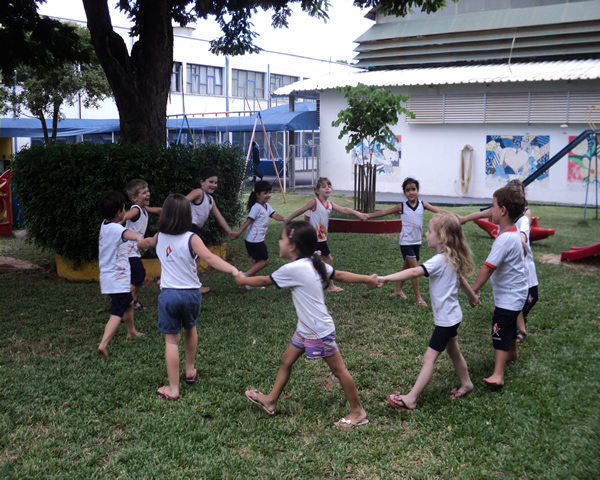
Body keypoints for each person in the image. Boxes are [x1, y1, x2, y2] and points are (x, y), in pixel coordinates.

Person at [236, 221, 378, 427]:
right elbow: (339, 275)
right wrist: (367, 279)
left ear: (292, 246)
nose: (279, 242)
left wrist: (243, 279)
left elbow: (264, 281)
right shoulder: (313, 262)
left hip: (317, 331)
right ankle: (271, 400)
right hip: (306, 328)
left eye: (282, 238)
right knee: (286, 360)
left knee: (339, 370)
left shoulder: (293, 269)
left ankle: (358, 412)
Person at [137, 194, 239, 401]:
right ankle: (190, 370)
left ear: (165, 215)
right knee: (190, 328)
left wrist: (138, 243)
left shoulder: (159, 237)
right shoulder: (192, 238)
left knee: (171, 341)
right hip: (192, 294)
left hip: (169, 295)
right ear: (188, 216)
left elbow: (146, 243)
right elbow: (209, 257)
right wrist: (233, 270)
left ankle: (173, 389)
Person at [378, 214, 480, 411]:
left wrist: (386, 278)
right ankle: (467, 383)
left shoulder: (439, 261)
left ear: (441, 237)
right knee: (454, 351)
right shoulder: (451, 258)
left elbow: (414, 271)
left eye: (430, 231)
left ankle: (411, 398)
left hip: (446, 320)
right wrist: (472, 297)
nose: (426, 234)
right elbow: (461, 281)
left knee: (429, 358)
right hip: (453, 317)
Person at [460, 180, 538, 343]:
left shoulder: (516, 227)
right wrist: (463, 219)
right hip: (508, 277)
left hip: (520, 270)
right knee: (508, 302)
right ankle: (514, 329)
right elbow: (484, 213)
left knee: (519, 303)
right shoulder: (506, 222)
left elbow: (488, 268)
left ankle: (519, 329)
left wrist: (472, 292)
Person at [366, 177, 457, 306]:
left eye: (413, 189)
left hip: (416, 242)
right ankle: (418, 298)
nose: (411, 192)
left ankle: (398, 289)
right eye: (408, 190)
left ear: (417, 190)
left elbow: (439, 211)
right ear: (404, 192)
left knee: (407, 266)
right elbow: (385, 212)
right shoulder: (402, 206)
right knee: (414, 269)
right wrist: (368, 216)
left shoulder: (423, 204)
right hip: (406, 242)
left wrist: (454, 216)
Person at [471, 185, 528, 387]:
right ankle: (513, 352)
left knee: (500, 330)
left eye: (493, 206)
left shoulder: (504, 240)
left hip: (510, 296)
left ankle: (498, 374)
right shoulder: (513, 233)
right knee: (509, 323)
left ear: (503, 210)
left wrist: (473, 290)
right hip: (516, 293)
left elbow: (488, 268)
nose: (490, 210)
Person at [285, 177, 367, 292]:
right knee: (321, 260)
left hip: (321, 238)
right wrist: (288, 219)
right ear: (317, 191)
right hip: (313, 238)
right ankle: (328, 285)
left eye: (329, 186)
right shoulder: (314, 202)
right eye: (324, 187)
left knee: (318, 260)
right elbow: (301, 210)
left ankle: (323, 284)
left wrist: (358, 214)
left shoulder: (330, 204)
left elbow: (344, 210)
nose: (327, 188)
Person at [97, 191, 145, 360]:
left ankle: (131, 332)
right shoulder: (117, 229)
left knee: (128, 303)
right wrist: (139, 237)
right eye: (124, 208)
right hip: (117, 279)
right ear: (119, 213)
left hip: (109, 277)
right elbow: (127, 234)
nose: (125, 211)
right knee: (116, 313)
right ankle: (103, 344)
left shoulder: (105, 225)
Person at [185, 167, 235, 294]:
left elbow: (219, 217)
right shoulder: (198, 192)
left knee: (190, 257)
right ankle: (196, 286)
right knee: (195, 258)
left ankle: (169, 281)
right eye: (211, 182)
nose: (214, 185)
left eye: (216, 182)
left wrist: (229, 231)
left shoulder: (211, 200)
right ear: (202, 182)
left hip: (194, 229)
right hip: (189, 227)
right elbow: (183, 201)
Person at [229, 180, 285, 286]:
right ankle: (244, 276)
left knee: (255, 261)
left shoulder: (266, 206)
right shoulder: (256, 207)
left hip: (253, 240)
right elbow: (248, 222)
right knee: (264, 261)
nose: (268, 195)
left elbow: (274, 215)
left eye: (269, 192)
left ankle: (250, 284)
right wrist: (238, 233)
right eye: (265, 193)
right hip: (255, 240)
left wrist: (284, 218)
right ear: (258, 195)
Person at [123, 179, 162, 311]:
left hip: (134, 249)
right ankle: (122, 299)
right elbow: (124, 217)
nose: (148, 194)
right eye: (144, 192)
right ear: (134, 198)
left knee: (139, 275)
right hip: (127, 250)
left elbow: (158, 210)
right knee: (138, 276)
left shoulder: (143, 209)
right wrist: (113, 226)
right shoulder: (136, 210)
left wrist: (172, 209)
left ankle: (133, 302)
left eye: (148, 191)